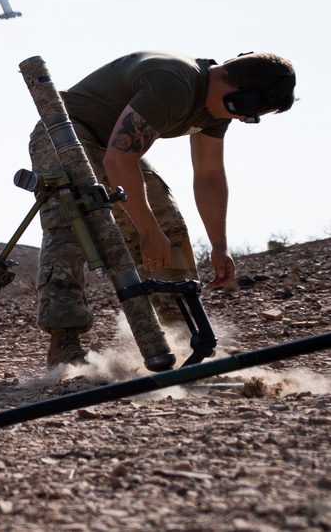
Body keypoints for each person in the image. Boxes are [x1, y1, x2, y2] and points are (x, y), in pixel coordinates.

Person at [32, 50, 296, 367]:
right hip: (64, 135)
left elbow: (209, 175)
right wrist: (146, 231)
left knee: (168, 227)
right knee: (75, 224)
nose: (242, 119)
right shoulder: (173, 84)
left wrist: (219, 245)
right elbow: (118, 161)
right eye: (250, 113)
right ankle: (65, 346)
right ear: (242, 97)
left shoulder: (214, 111)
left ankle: (184, 340)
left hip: (111, 145)